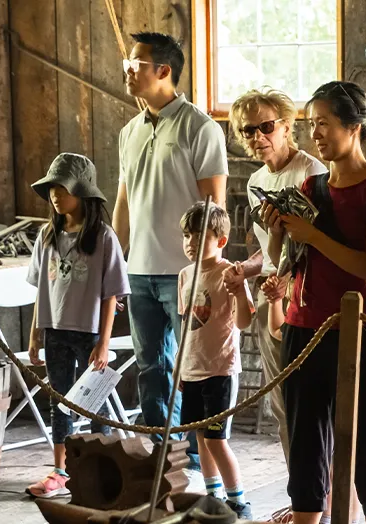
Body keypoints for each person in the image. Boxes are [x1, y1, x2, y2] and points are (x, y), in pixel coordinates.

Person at [262, 81, 366, 524]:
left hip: (361, 331)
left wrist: (313, 235)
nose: (315, 135)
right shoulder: (311, 186)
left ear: (353, 126)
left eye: (323, 124)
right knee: (305, 445)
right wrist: (277, 231)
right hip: (304, 328)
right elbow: (285, 260)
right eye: (311, 125)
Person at [113, 32, 228, 471]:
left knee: (193, 369)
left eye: (136, 63)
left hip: (186, 272)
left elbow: (213, 209)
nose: (128, 70)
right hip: (138, 270)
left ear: (164, 70)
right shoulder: (129, 131)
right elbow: (124, 203)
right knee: (150, 369)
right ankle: (165, 454)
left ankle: (198, 460)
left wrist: (207, 271)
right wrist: (116, 265)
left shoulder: (200, 127)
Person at [224, 87, 327, 463]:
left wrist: (289, 276)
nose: (258, 136)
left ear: (286, 126)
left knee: (312, 397)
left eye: (266, 126)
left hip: (308, 294)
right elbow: (270, 248)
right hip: (272, 292)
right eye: (248, 130)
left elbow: (322, 244)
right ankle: (299, 486)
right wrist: (244, 269)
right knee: (281, 399)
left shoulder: (312, 172)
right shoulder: (256, 182)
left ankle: (324, 486)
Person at [25, 153, 130, 498]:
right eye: (52, 188)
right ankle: (61, 471)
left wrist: (104, 343)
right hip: (54, 331)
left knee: (96, 404)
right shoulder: (47, 235)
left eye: (63, 188)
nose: (55, 195)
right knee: (60, 403)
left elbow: (112, 295)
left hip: (90, 333)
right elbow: (41, 290)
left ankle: (101, 470)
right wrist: (35, 334)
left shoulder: (103, 238)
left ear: (82, 192)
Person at [177, 201, 255, 518]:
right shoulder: (184, 275)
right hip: (191, 370)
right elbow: (185, 325)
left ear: (221, 240)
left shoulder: (230, 275)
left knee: (216, 439)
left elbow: (244, 321)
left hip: (220, 371)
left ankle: (239, 501)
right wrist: (179, 367)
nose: (190, 243)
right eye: (187, 236)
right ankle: (214, 496)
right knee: (200, 439)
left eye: (199, 236)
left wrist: (240, 291)